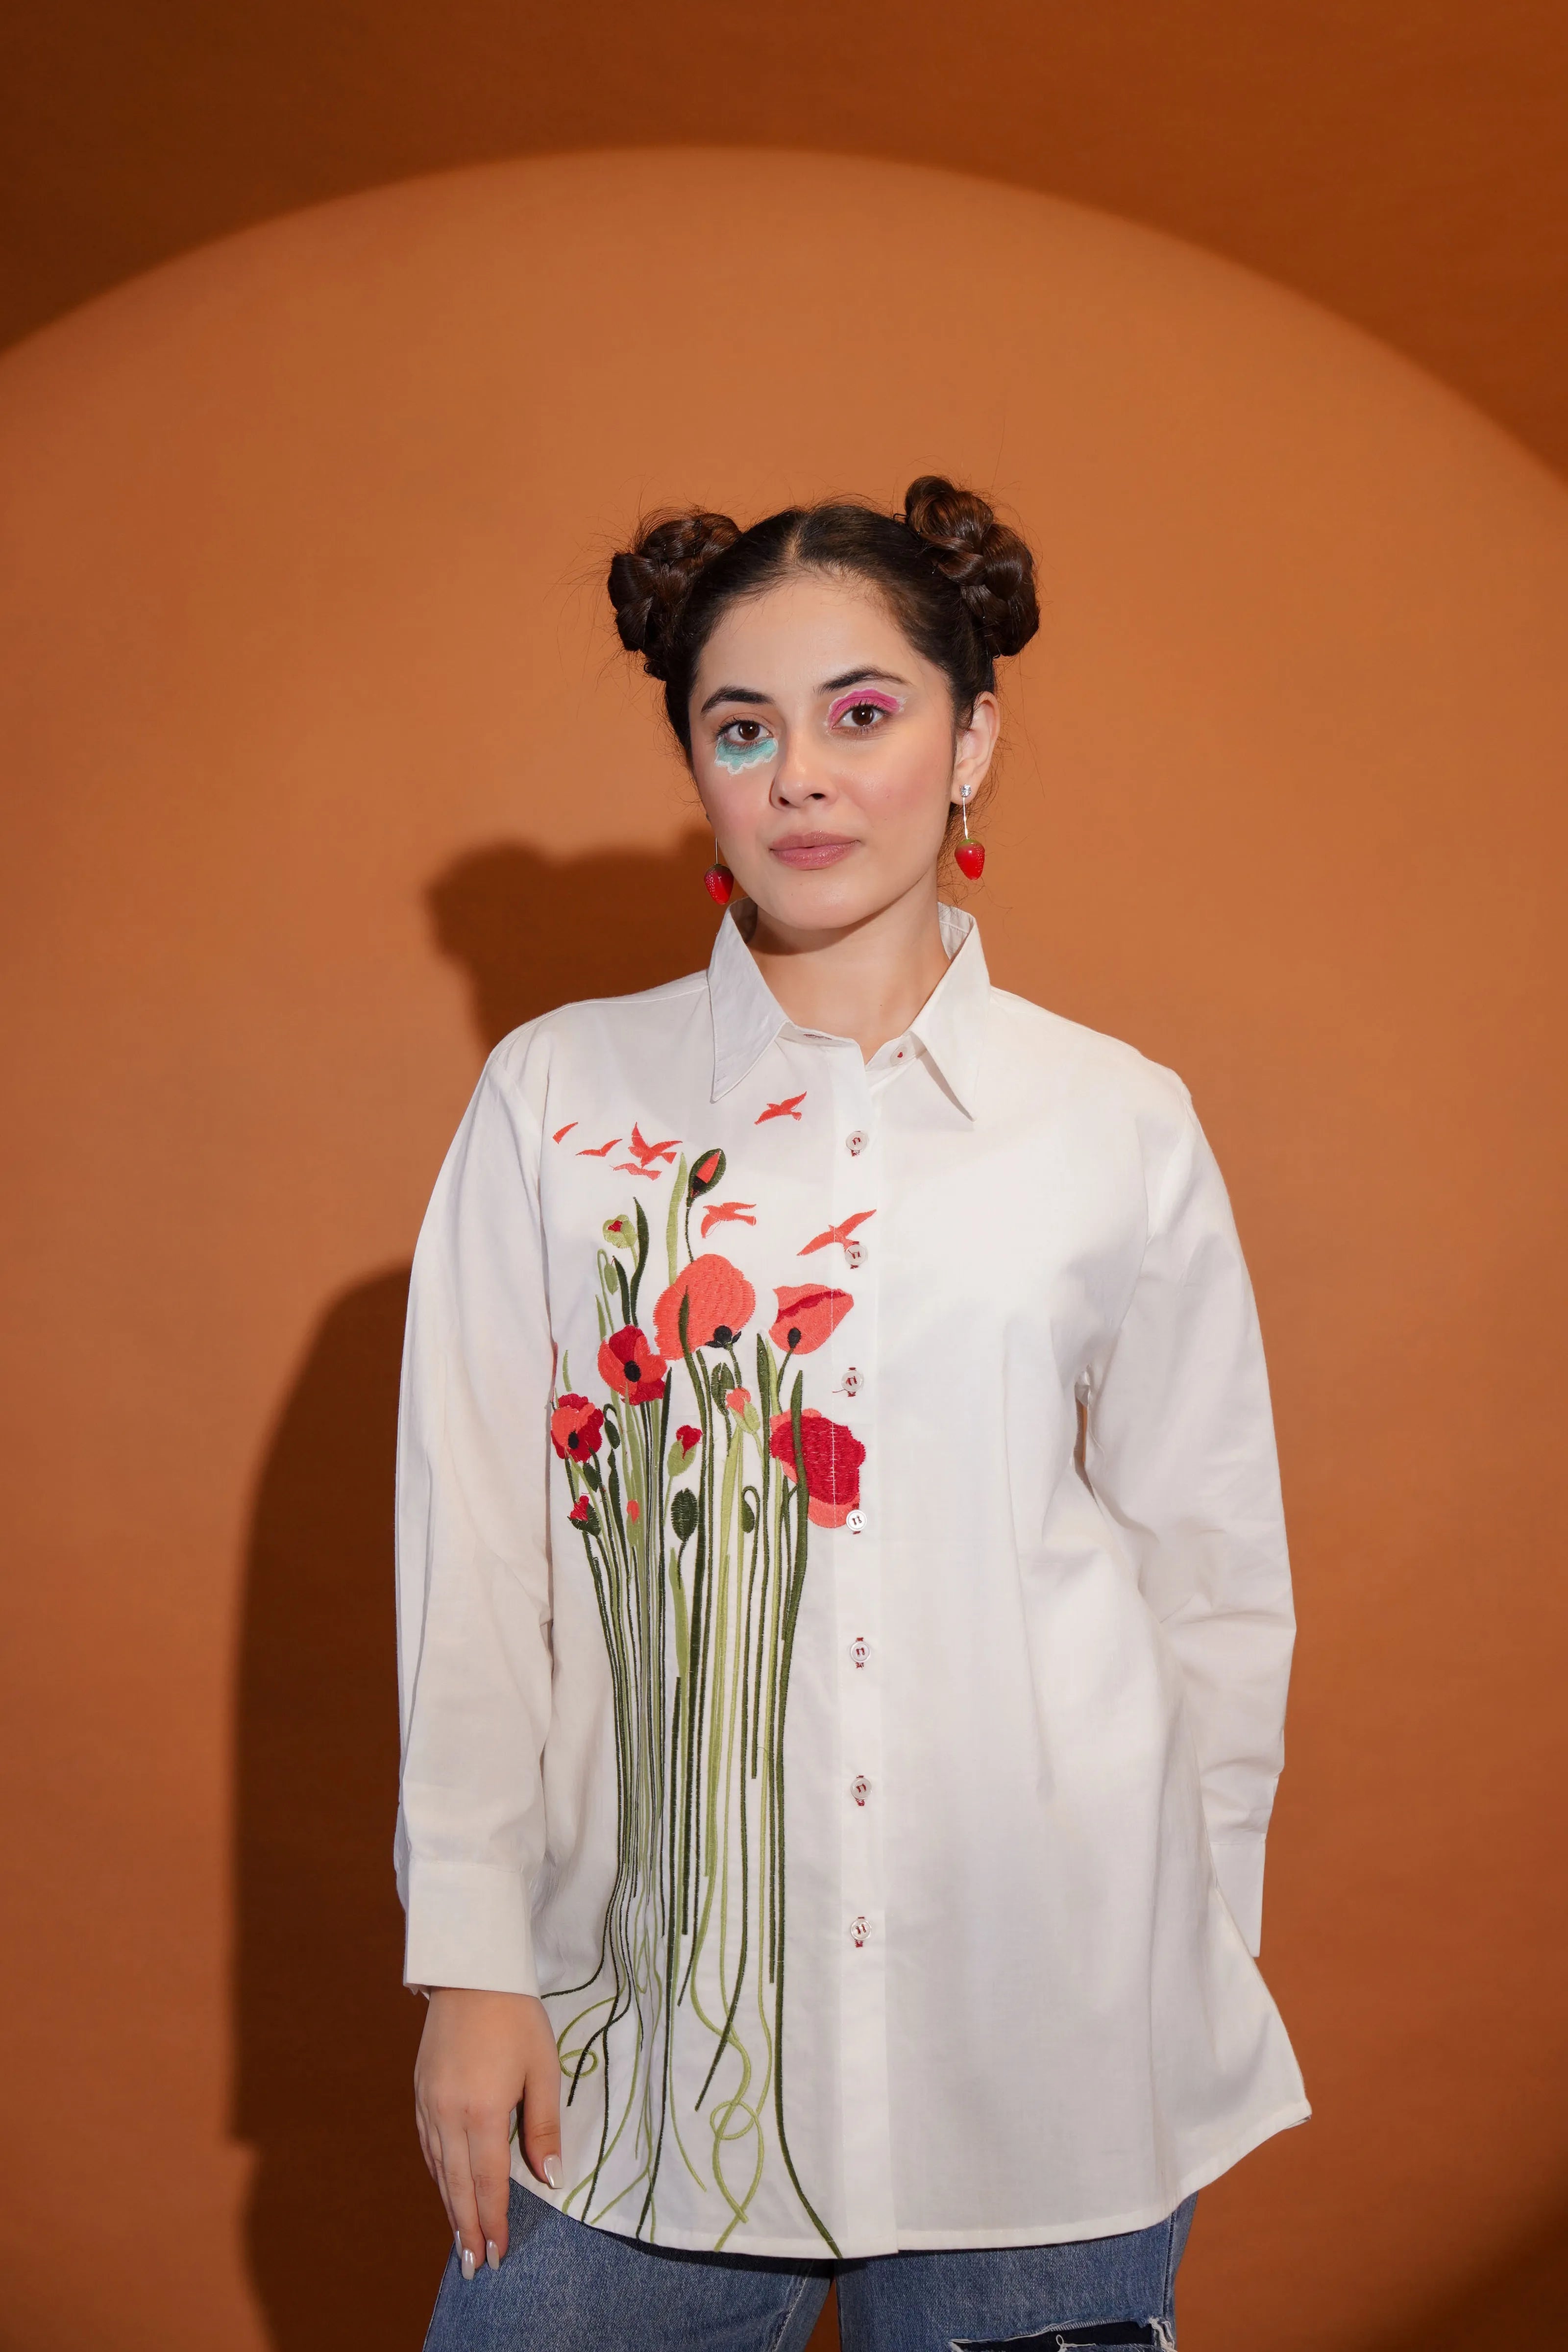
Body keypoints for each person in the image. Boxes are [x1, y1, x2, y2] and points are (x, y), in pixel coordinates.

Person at [394, 478, 1308, 2352]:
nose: (801, 775)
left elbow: (1211, 1574)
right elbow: (478, 1561)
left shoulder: (1118, 1120)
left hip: (1049, 2048)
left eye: (863, 713)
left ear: (972, 742)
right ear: (699, 769)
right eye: (744, 728)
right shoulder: (558, 1102)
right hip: (653, 2056)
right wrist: (471, 1960)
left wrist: (1197, 1941)